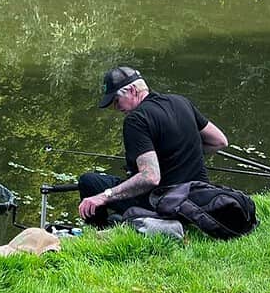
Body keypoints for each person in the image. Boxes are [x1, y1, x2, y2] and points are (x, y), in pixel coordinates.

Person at [77, 67, 228, 225]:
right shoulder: (180, 101)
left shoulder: (136, 119)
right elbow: (219, 141)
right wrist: (180, 155)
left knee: (89, 182)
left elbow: (150, 177)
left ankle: (100, 231)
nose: (116, 107)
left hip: (163, 202)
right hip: (198, 197)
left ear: (132, 90)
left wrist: (103, 196)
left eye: (116, 100)